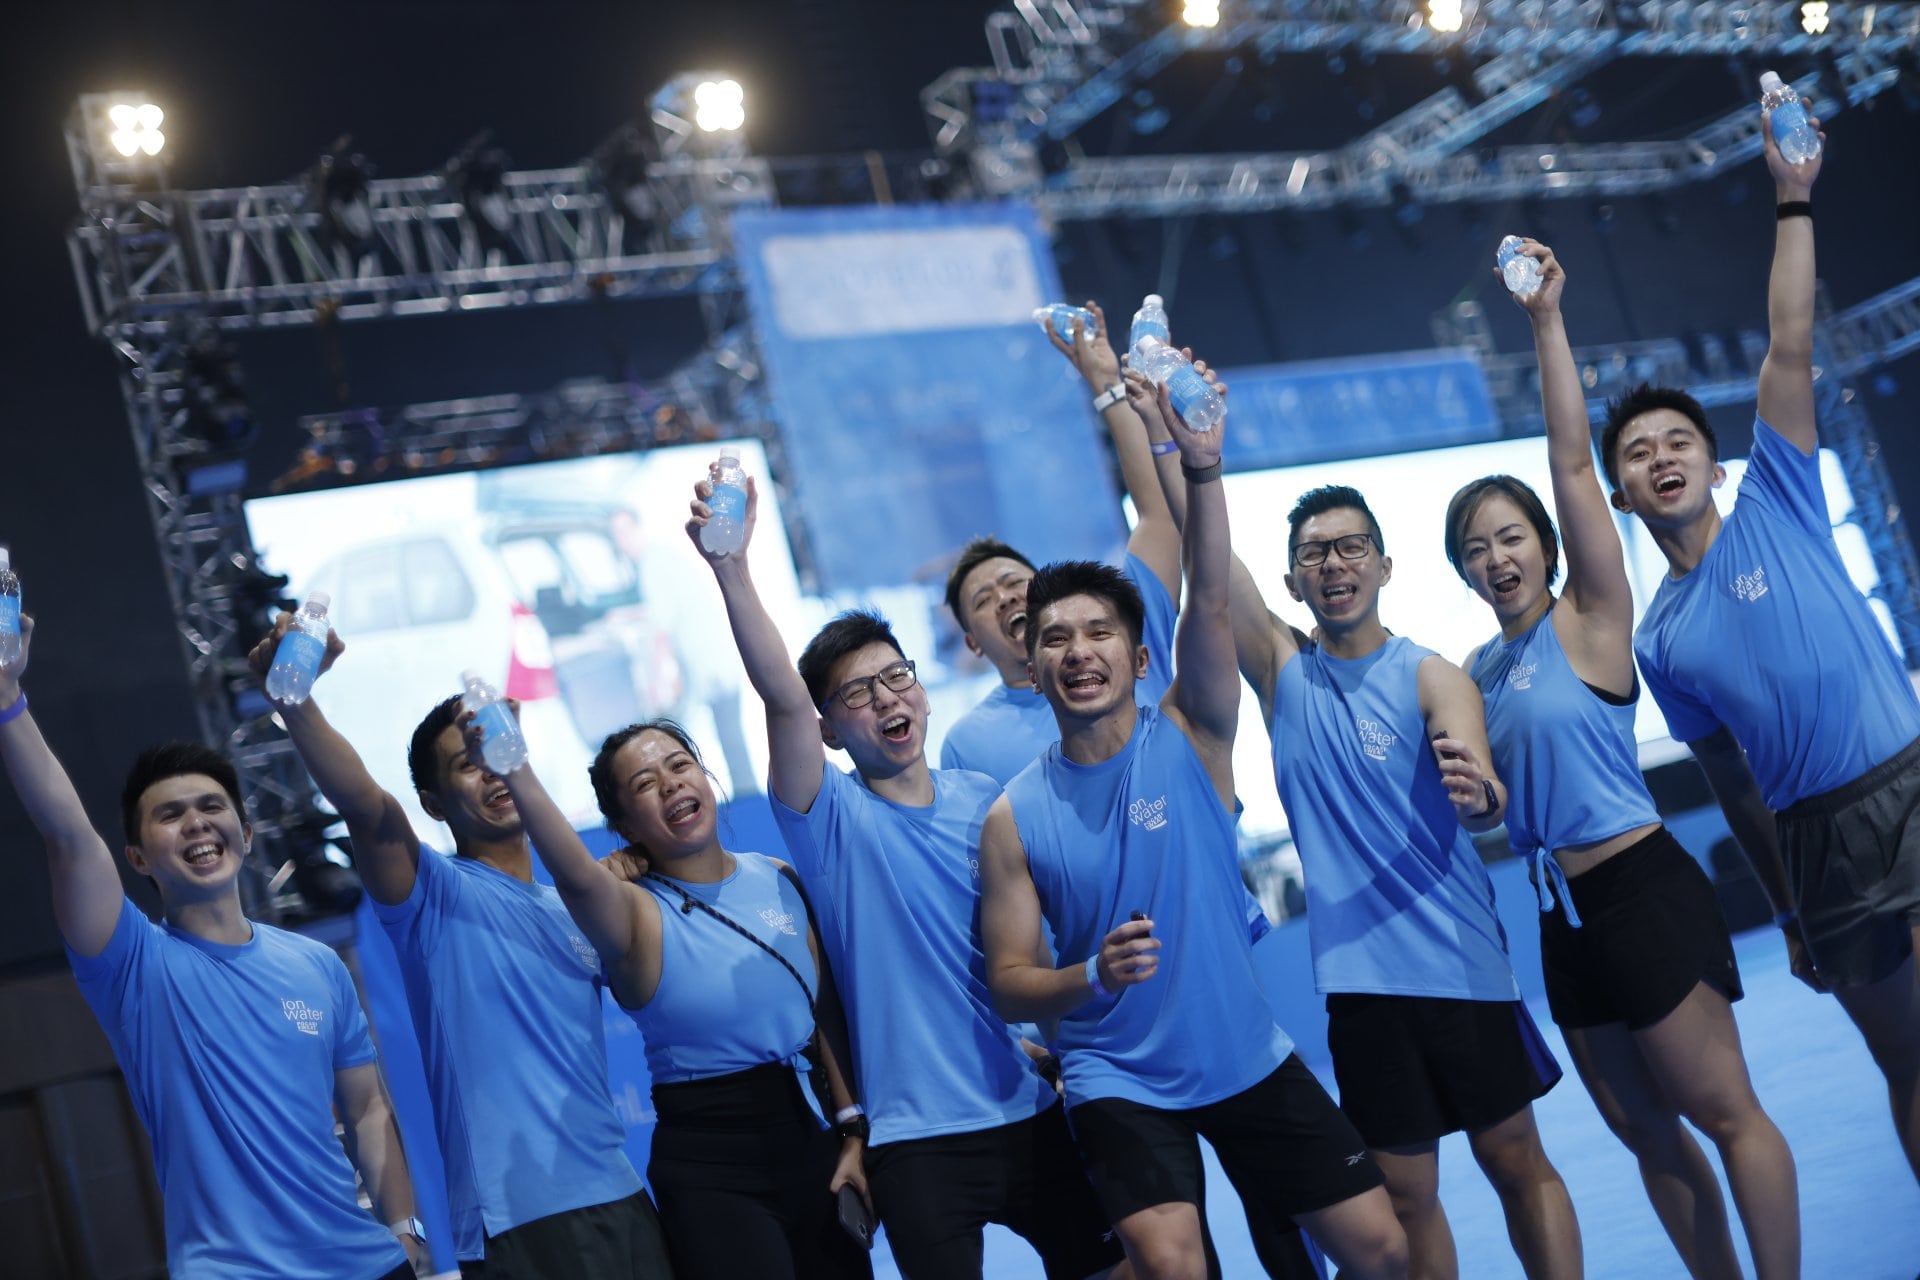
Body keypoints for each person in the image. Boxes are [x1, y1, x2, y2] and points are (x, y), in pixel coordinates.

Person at [977, 377, 1409, 1280]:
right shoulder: (1013, 816)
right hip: (1116, 1075)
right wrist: (1092, 975)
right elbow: (1011, 985)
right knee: (1172, 1267)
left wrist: (1202, 470)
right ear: (1034, 668)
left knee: (1380, 1248)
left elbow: (1209, 599)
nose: (1078, 650)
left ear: (1139, 658)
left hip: (1242, 1052)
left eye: (1099, 633)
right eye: (1055, 639)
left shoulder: (1192, 731)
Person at [1444, 236, 1800, 1278]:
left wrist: (1545, 320)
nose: (1497, 556)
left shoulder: (1591, 618)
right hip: (1559, 920)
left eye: (1512, 536)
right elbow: (1486, 805)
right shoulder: (1472, 671)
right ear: (1462, 570)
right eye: (1476, 547)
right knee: (1648, 1137)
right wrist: (1479, 806)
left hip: (1642, 890)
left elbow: (1568, 461)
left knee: (1725, 1113)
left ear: (1549, 546)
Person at [688, 467, 1126, 1280]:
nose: (888, 698)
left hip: (1027, 1107)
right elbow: (781, 698)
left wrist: (1050, 1050)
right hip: (917, 1141)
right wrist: (733, 569)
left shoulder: (987, 801)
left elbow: (1026, 956)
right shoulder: (829, 818)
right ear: (828, 729)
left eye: (898, 677)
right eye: (858, 692)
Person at [1606, 111, 1920, 1187]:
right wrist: (1786, 907)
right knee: (1903, 1061)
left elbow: (1790, 339)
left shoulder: (1780, 496)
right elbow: (1730, 780)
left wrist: (1794, 194)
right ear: (1622, 491)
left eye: (1678, 440)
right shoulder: (1659, 639)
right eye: (1638, 452)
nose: (1661, 456)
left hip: (1909, 782)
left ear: (1717, 462)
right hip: (1817, 843)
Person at [1222, 472, 1582, 1279]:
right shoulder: (1281, 672)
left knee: (1515, 1161)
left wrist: (1481, 796)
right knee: (1407, 1198)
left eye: (1353, 547)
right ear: (1292, 582)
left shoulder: (1432, 675)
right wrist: (1182, 455)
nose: (1334, 563)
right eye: (1314, 553)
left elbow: (1483, 792)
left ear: (1385, 566)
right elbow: (1208, 557)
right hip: (1361, 987)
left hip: (1460, 965)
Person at [0, 616, 424, 1280]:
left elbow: (367, 1106)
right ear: (138, 858)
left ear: (246, 836)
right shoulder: (132, 964)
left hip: (370, 1266)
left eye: (212, 807)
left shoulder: (317, 965)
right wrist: (6, 694)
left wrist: (405, 1232)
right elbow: (68, 836)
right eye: (170, 815)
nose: (196, 823)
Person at [247, 619, 671, 1278]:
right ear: (433, 804)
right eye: (467, 766)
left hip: (621, 1196)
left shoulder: (579, 902)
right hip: (517, 1223)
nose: (492, 773)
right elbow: (366, 806)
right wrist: (295, 702)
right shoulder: (431, 894)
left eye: (494, 752)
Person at [460, 708, 873, 1280]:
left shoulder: (778, 875)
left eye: (680, 766)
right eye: (645, 784)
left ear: (705, 776)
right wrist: (515, 767)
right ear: (625, 824)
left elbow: (824, 1013)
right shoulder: (631, 912)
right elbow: (576, 877)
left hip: (816, 1144)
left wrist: (852, 1131)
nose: (671, 784)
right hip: (713, 1172)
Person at [940, 301, 1184, 785]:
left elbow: (1159, 514)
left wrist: (1107, 386)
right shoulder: (967, 745)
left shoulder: (1126, 635)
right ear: (973, 644)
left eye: (1014, 582)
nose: (1005, 597)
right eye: (984, 600)